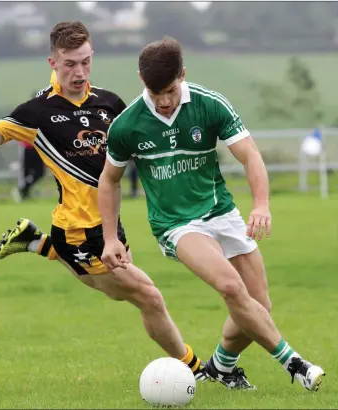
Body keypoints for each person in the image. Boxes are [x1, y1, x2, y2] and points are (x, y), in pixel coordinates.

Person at [98, 36, 325, 391]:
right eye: (156, 92)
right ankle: (295, 364)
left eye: (171, 90)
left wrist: (261, 204)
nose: (164, 101)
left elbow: (250, 155)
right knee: (232, 288)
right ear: (143, 82)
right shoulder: (127, 126)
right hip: (175, 225)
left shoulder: (209, 105)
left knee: (259, 304)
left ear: (183, 75)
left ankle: (222, 366)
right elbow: (109, 181)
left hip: (221, 211)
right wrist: (110, 237)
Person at [0, 22, 207, 383]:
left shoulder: (110, 104)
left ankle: (39, 243)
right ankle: (197, 369)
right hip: (77, 230)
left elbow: (139, 143)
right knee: (148, 296)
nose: (79, 72)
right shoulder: (38, 112)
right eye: (70, 64)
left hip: (108, 225)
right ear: (52, 63)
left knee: (119, 293)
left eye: (86, 62)